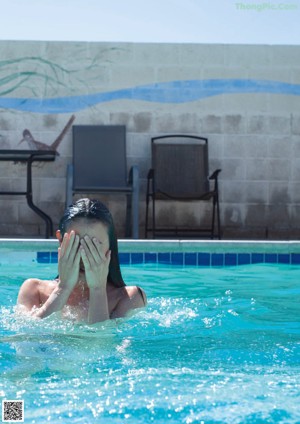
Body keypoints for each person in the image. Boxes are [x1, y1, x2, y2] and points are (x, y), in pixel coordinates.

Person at [17, 198, 147, 324]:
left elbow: (101, 345)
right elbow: (27, 336)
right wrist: (63, 288)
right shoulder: (34, 290)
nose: (84, 255)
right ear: (61, 240)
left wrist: (98, 289)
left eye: (94, 245)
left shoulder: (130, 298)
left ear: (110, 244)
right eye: (76, 243)